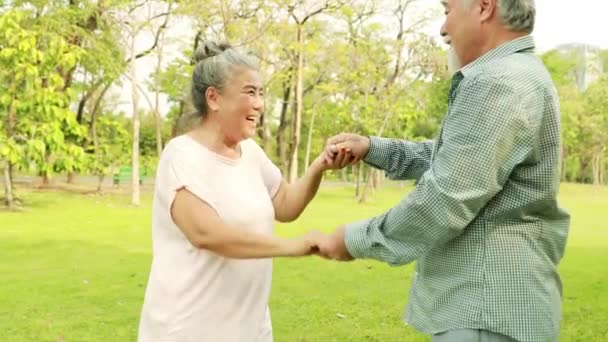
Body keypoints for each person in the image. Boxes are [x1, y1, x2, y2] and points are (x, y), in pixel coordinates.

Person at [315, 0, 569, 341]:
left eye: (447, 9)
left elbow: (447, 194)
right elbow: (455, 157)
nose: (443, 28)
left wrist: (354, 239)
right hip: (494, 309)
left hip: (484, 309)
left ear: (483, 7)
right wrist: (373, 149)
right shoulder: (521, 74)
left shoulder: (499, 81)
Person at [137, 41, 354, 342]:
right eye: (250, 92)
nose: (260, 104)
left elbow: (286, 204)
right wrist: (296, 246)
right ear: (213, 98)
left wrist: (319, 166)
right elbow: (207, 234)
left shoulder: (250, 153)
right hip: (189, 329)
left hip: (249, 329)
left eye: (261, 93)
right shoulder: (181, 155)